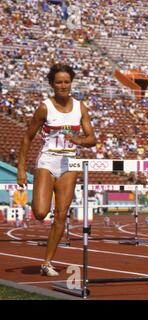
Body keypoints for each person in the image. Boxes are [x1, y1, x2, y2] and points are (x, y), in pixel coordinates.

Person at [16, 64, 96, 277]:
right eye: (59, 82)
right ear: (52, 84)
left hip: (69, 162)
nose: (63, 85)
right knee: (41, 213)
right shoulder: (45, 107)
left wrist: (77, 140)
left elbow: (92, 139)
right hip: (48, 161)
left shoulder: (80, 107)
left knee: (61, 215)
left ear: (71, 83)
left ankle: (47, 262)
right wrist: (21, 169)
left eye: (66, 81)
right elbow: (27, 138)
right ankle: (40, 194)